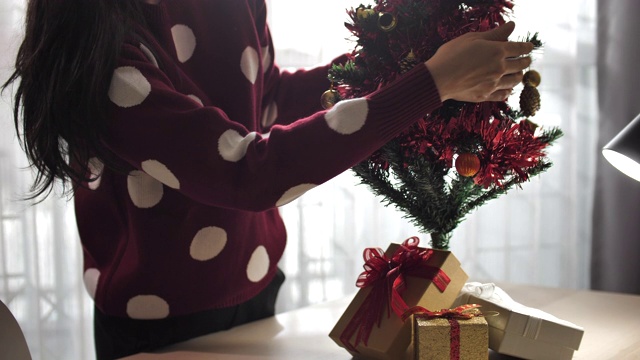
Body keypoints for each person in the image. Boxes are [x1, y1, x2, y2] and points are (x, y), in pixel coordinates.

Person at [2, 0, 533, 359]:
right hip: (161, 321)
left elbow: (266, 98)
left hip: (256, 283)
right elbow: (244, 169)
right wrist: (429, 83)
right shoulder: (106, 55)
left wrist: (398, 61)